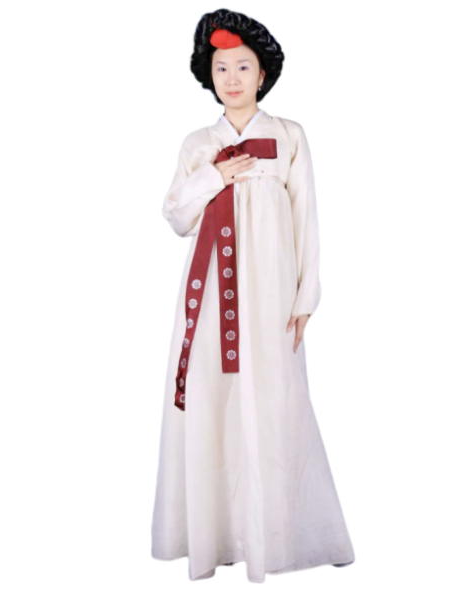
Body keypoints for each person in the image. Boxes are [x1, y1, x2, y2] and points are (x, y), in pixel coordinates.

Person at [151, 8, 356, 584]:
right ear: (209, 75)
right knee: (212, 404)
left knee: (274, 404)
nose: (233, 78)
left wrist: (306, 298)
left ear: (262, 73)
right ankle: (214, 537)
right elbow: (176, 217)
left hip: (270, 299)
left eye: (243, 67)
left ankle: (273, 540)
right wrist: (216, 177)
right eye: (222, 68)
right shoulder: (198, 143)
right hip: (208, 301)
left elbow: (307, 220)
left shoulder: (288, 136)